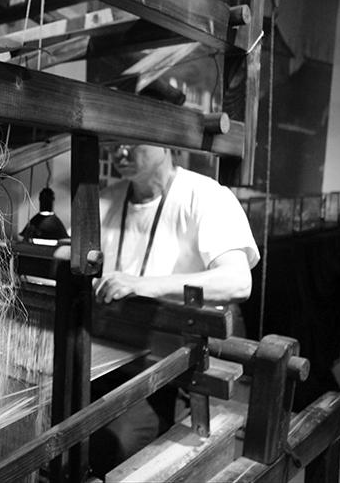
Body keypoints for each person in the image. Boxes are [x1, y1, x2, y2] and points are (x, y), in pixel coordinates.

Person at [89, 143, 260, 474]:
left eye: (131, 142)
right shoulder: (106, 199)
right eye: (112, 143)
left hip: (169, 374)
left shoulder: (205, 197)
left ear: (165, 142)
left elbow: (238, 281)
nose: (119, 152)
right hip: (106, 364)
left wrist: (145, 284)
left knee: (112, 442)